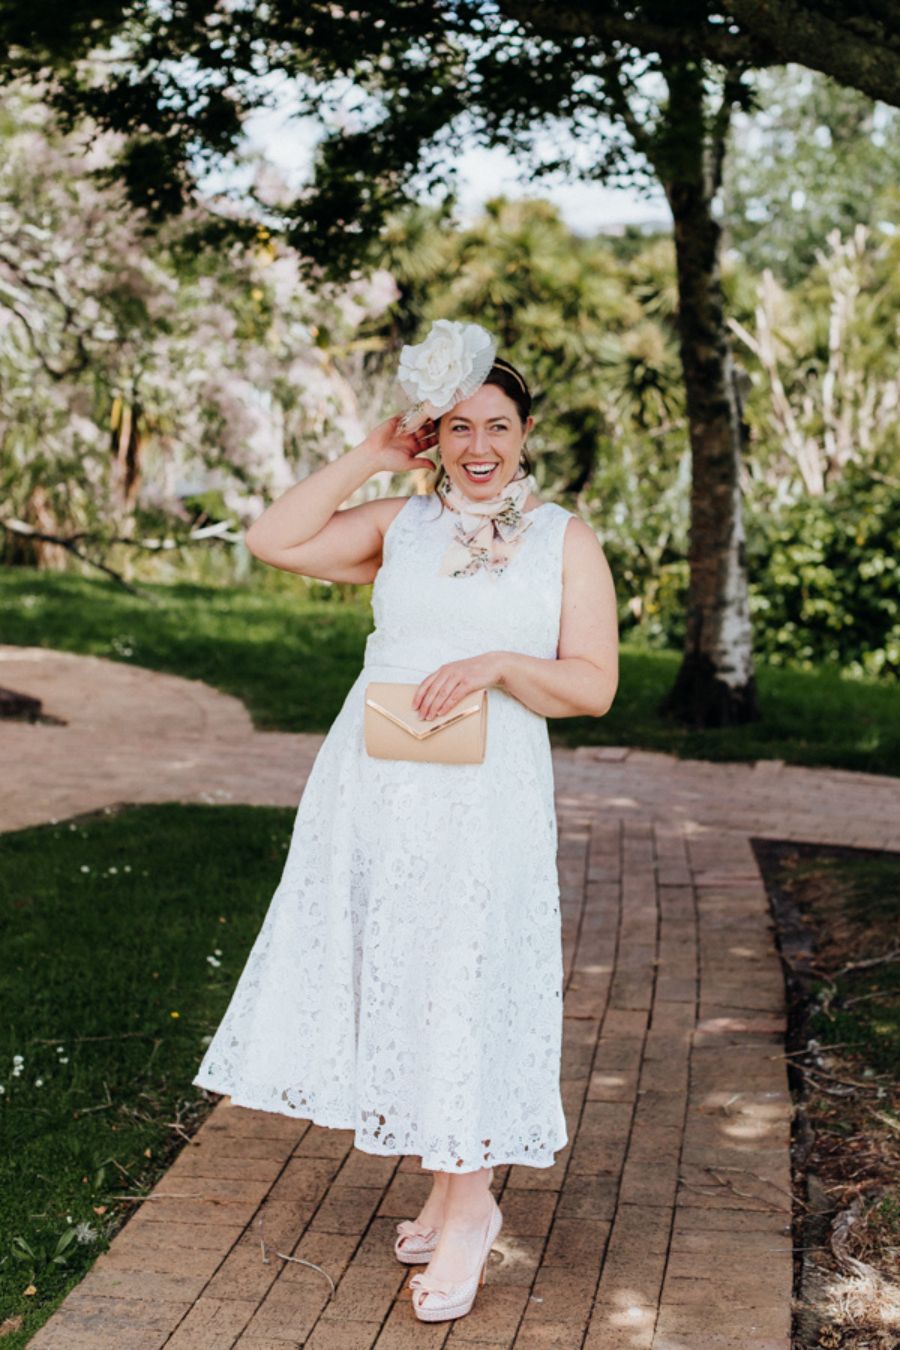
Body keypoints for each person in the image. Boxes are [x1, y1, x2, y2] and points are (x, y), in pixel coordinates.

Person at [192, 322, 619, 1323]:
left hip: (485, 799)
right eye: (459, 425)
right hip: (376, 783)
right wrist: (373, 456)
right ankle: (445, 1184)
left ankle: (470, 1209)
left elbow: (594, 685)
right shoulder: (401, 524)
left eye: (499, 426)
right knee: (409, 969)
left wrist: (502, 665)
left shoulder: (565, 538)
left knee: (463, 970)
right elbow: (272, 539)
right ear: (435, 434)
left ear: (525, 435)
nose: (480, 446)